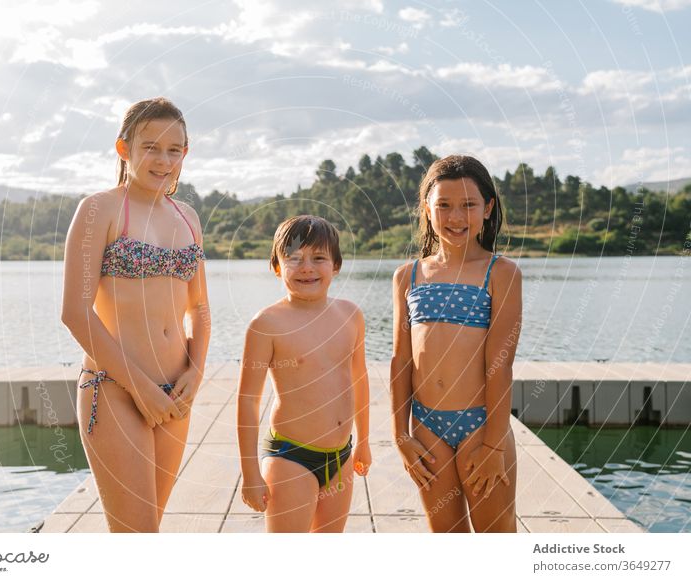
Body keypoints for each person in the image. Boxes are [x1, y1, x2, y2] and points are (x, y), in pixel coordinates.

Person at [61, 97, 210, 532]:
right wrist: (140, 387)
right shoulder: (100, 209)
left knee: (148, 532)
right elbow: (75, 312)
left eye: (174, 149)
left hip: (175, 392)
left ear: (186, 153)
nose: (163, 160)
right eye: (150, 147)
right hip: (115, 391)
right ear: (124, 149)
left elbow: (199, 308)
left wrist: (195, 374)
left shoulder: (189, 217)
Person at [390, 154, 521, 532]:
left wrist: (495, 444)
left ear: (488, 208)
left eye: (468, 205)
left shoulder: (501, 273)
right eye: (443, 205)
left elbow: (501, 364)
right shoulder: (408, 276)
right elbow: (401, 360)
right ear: (427, 209)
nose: (456, 216)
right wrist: (400, 435)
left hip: (481, 425)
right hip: (427, 427)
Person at [237, 215, 372, 532]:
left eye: (319, 258)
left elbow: (359, 381)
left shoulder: (350, 315)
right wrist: (250, 474)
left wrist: (364, 441)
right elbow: (247, 402)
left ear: (336, 265)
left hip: (341, 455)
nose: (307, 267)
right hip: (291, 457)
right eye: (294, 259)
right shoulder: (266, 324)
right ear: (276, 267)